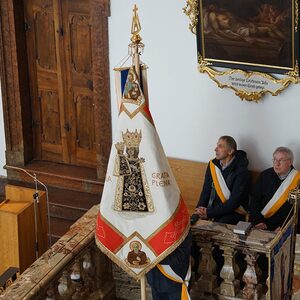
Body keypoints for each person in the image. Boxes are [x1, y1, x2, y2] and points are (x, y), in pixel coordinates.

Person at [192, 135, 250, 225]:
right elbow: (206, 191)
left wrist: (209, 213)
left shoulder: (242, 171)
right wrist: (199, 210)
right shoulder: (212, 165)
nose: (215, 149)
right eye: (217, 145)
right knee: (192, 224)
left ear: (230, 151)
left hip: (233, 213)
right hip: (212, 209)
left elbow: (234, 202)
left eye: (220, 146)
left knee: (218, 225)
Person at [250, 147, 300, 231]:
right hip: (262, 223)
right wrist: (258, 221)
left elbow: (297, 210)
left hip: (284, 226)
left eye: (281, 160)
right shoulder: (265, 175)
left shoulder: (297, 180)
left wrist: (284, 227)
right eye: (275, 160)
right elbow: (255, 200)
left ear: (290, 162)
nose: (277, 164)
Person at [146, 231, 192, 300]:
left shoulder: (182, 224)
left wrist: (152, 258)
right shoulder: (149, 224)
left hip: (173, 281)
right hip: (154, 279)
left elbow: (180, 255)